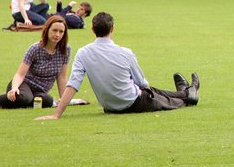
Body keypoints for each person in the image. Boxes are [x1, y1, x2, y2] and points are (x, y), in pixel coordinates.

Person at [37, 12, 199, 119]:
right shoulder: (125, 53)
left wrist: (57, 114)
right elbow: (142, 83)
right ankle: (188, 94)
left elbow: (73, 85)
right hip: (132, 102)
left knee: (156, 93)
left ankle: (185, 91)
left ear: (93, 29)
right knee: (164, 100)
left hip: (110, 106)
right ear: (112, 29)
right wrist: (150, 91)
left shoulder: (82, 53)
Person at [0, 16, 71, 109]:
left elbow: (62, 77)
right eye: (54, 30)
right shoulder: (35, 49)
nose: (57, 34)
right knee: (25, 98)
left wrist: (63, 99)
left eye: (61, 32)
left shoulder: (66, 50)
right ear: (47, 30)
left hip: (40, 91)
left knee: (47, 101)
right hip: (23, 84)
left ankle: (1, 102)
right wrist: (15, 88)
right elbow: (20, 74)